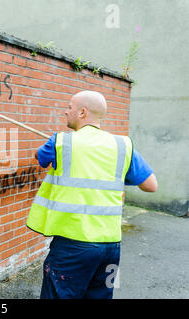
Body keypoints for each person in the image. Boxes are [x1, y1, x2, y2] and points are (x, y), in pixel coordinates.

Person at [27, 90, 157, 299]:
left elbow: (39, 157)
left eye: (69, 107)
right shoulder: (123, 145)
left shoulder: (61, 142)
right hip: (110, 248)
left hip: (73, 247)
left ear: (82, 113)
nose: (66, 111)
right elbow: (151, 185)